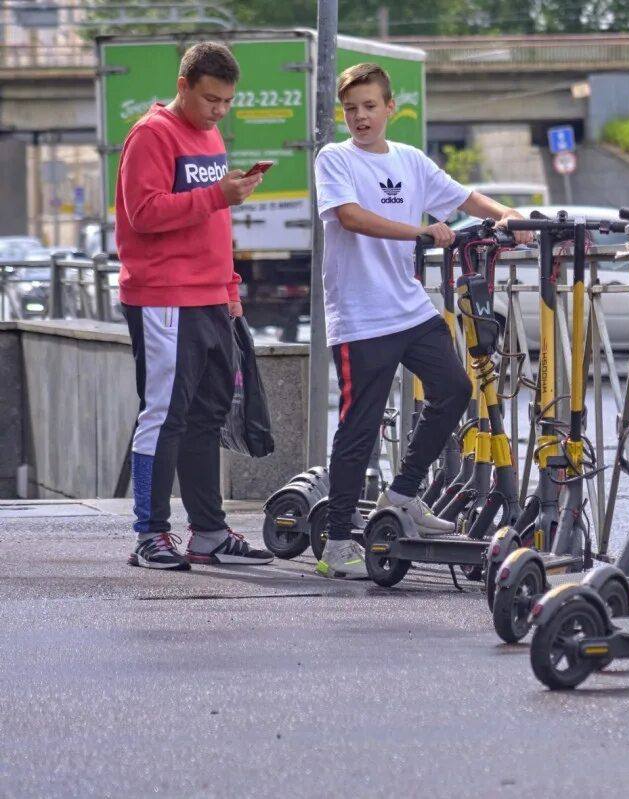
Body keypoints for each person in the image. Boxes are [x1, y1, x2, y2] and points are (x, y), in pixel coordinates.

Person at [312, 62, 532, 579]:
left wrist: (511, 216)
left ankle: (403, 494)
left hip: (408, 309)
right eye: (351, 110)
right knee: (359, 428)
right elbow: (349, 217)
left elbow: (464, 198)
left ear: (391, 108)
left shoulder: (409, 160)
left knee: (454, 390)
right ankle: (338, 543)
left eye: (370, 107)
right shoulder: (334, 158)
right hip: (360, 318)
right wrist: (420, 233)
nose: (360, 118)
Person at [117, 42, 274, 570]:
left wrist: (231, 290)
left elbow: (214, 225)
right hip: (164, 298)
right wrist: (219, 196)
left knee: (207, 416)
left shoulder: (207, 135)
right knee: (164, 415)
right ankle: (149, 533)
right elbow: (144, 213)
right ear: (183, 85)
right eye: (211, 99)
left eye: (227, 101)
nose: (219, 111)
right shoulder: (151, 134)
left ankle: (207, 531)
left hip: (209, 298)